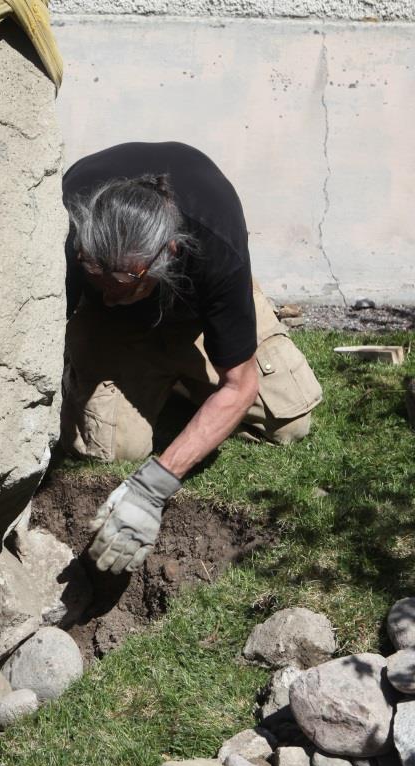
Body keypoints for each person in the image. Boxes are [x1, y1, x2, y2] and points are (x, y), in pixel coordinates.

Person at [61, 141, 322, 575]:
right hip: (115, 330)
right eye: (95, 274)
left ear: (170, 253)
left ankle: (185, 375)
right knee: (112, 449)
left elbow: (240, 385)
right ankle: (170, 381)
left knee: (290, 422)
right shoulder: (69, 227)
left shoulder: (215, 238)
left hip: (197, 312)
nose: (107, 292)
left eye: (122, 281)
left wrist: (153, 488)